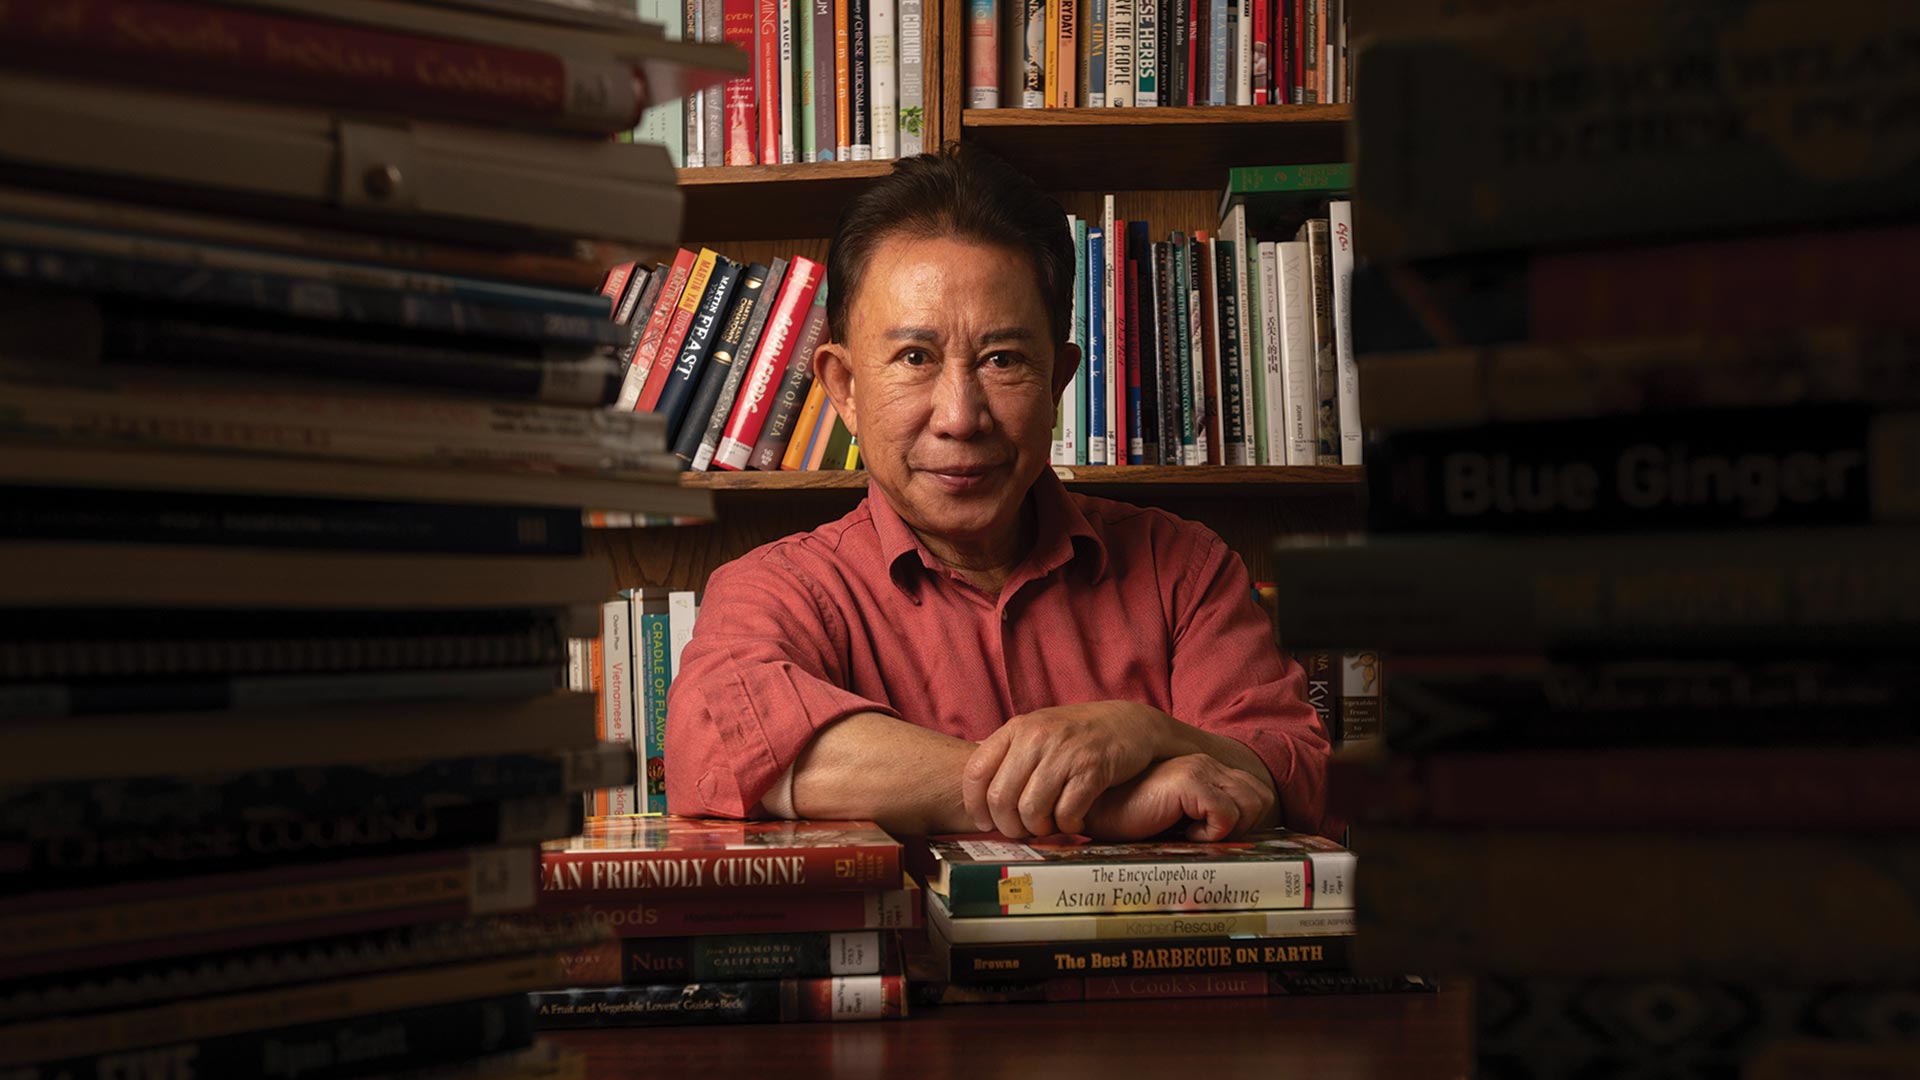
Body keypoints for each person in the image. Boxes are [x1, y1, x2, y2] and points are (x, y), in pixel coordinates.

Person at [665, 146, 1333, 842]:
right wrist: (1089, 802)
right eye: (915, 358)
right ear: (844, 389)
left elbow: (1295, 774)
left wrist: (1145, 733)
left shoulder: (1184, 570)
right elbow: (719, 737)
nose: (960, 416)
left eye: (1003, 360)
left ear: (1059, 383)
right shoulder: (777, 588)